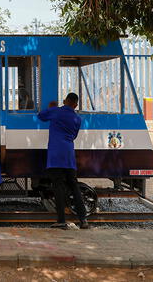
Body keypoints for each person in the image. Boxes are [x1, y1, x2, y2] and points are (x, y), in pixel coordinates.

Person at [37, 93, 89, 230]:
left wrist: (50, 108)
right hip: (69, 155)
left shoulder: (56, 111)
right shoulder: (77, 119)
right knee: (74, 185)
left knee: (58, 186)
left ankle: (61, 220)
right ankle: (83, 220)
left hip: (55, 155)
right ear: (76, 105)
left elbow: (40, 116)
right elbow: (74, 136)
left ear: (65, 101)